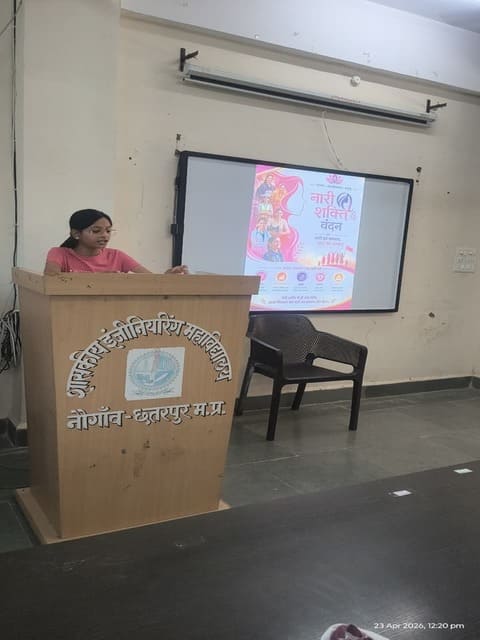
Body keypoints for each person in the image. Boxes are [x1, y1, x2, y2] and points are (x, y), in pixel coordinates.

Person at [44, 209, 188, 275]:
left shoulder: (117, 256)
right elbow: (51, 277)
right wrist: (100, 278)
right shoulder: (59, 253)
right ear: (76, 234)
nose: (104, 236)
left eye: (108, 231)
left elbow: (149, 280)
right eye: (96, 231)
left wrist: (166, 278)